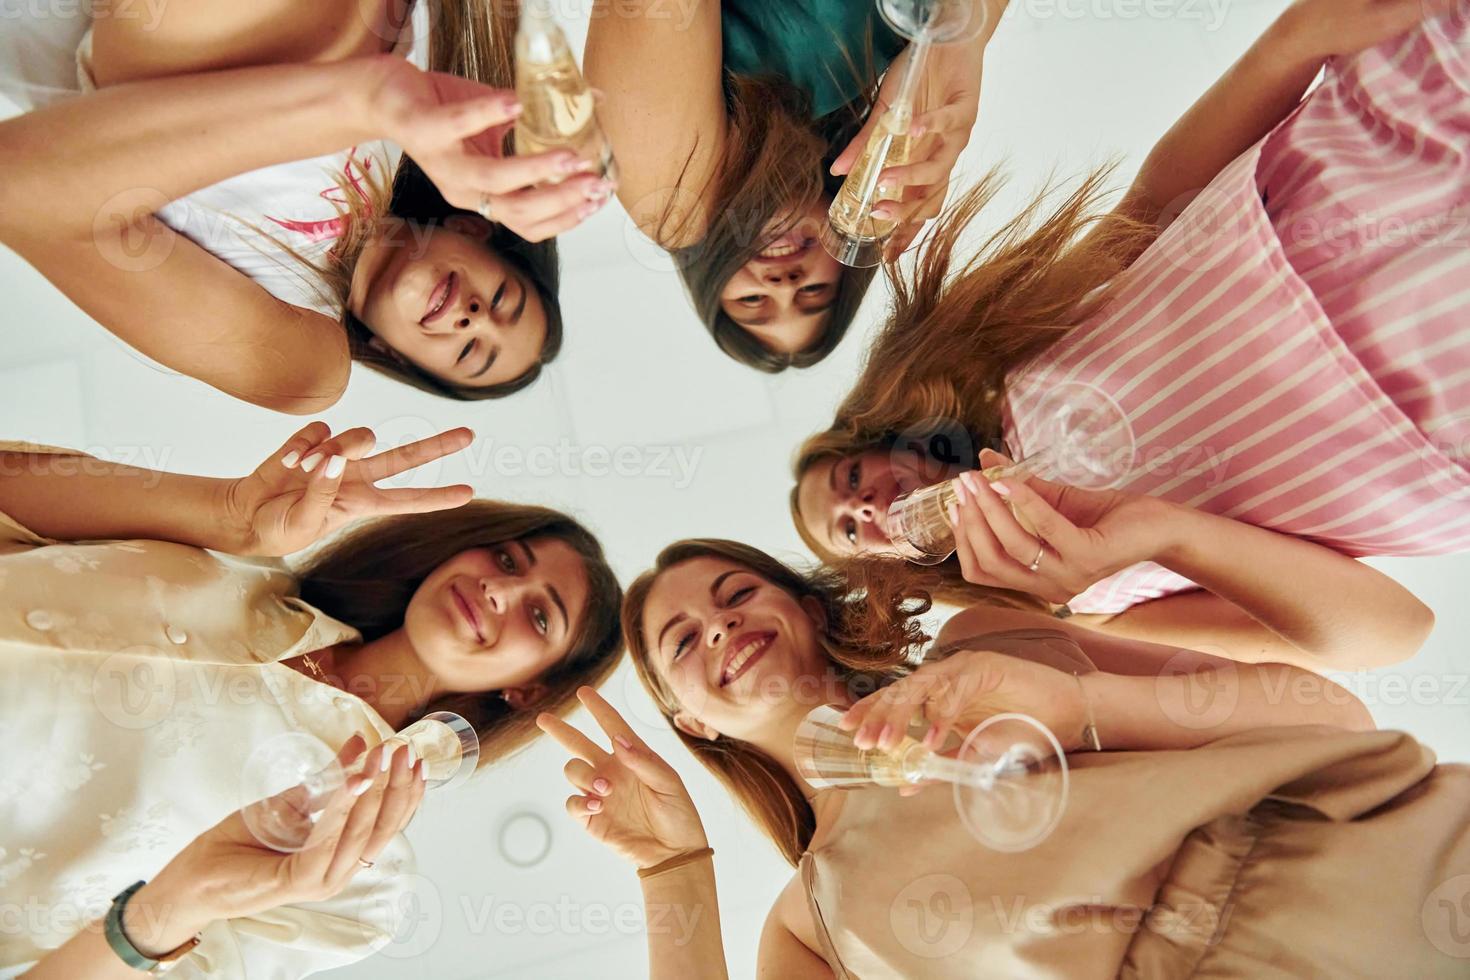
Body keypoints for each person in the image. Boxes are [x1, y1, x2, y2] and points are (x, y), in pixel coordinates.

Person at [792, 0, 1470, 634]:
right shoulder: (1086, 601)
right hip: (1440, 419)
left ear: (878, 438)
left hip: (1358, 193)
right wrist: (1163, 534)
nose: (863, 506)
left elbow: (1149, 209)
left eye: (849, 481)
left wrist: (1291, 46)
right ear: (893, 571)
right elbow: (1394, 631)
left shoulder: (999, 359)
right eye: (851, 532)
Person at [539, 540, 1470, 978]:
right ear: (692, 724)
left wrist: (1077, 707)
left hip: (1370, 867)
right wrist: (672, 871)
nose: (722, 627)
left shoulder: (987, 644)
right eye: (684, 643)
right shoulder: (804, 930)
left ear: (809, 608)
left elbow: (1334, 712)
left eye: (737, 594)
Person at [0, 426, 624, 975]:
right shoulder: (244, 572)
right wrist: (226, 511)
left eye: (540, 616)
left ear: (530, 688)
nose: (500, 591)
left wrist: (178, 902)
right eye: (507, 558)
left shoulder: (353, 878)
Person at [0, 0, 613, 410]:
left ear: (395, 355)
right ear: (470, 229)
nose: (474, 317)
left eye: (470, 352)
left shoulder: (303, 356)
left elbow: (17, 190)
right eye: (503, 299)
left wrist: (371, 101)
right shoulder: (425, 119)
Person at [585, 0, 999, 370]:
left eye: (752, 303)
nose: (785, 286)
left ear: (708, 278)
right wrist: (962, 37)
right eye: (814, 293)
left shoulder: (673, 205)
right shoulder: (856, 89)